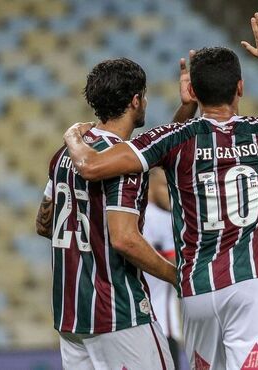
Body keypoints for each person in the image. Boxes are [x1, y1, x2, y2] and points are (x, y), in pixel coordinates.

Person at [61, 13, 258, 369]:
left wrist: (73, 134)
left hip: (197, 286)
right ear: (240, 88)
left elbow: (92, 166)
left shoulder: (174, 139)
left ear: (192, 90)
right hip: (254, 283)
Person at [35, 58, 176, 369]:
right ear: (136, 100)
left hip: (71, 317)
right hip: (118, 313)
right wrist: (176, 276)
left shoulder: (64, 155)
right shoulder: (124, 161)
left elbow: (44, 224)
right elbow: (124, 240)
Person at [142, 168, 183, 367]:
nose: (172, 192)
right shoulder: (162, 219)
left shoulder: (129, 219)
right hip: (163, 326)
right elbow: (180, 266)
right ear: (149, 186)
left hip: (136, 325)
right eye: (166, 186)